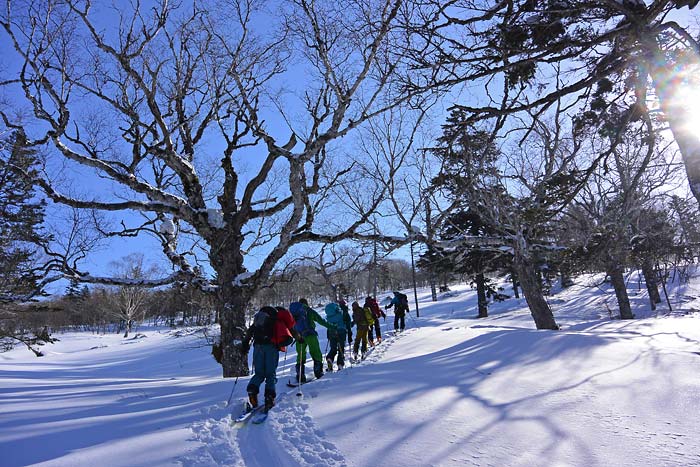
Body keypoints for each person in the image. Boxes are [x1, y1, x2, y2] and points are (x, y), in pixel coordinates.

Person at [242, 306, 300, 411]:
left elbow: (250, 331)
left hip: (258, 346)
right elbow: (291, 332)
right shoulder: (277, 319)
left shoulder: (260, 318)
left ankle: (252, 390)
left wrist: (245, 345)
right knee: (270, 374)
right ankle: (269, 397)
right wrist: (300, 339)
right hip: (271, 347)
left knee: (259, 373)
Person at [290, 298, 335, 382]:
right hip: (310, 334)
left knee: (300, 355)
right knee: (316, 353)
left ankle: (300, 375)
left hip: (299, 337)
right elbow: (321, 321)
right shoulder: (309, 311)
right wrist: (333, 327)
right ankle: (318, 372)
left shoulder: (294, 312)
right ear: (306, 303)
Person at [324, 302, 347, 371]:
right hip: (341, 331)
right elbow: (345, 321)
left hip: (331, 332)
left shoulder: (328, 317)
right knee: (341, 348)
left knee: (333, 348)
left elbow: (328, 326)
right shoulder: (340, 314)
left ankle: (330, 358)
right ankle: (340, 363)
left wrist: (328, 334)